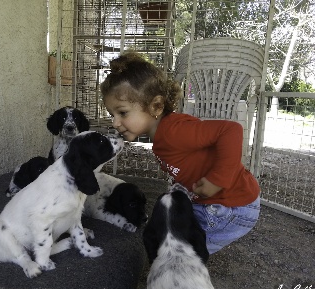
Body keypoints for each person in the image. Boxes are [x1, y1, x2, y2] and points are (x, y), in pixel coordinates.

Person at [101, 51, 260, 254]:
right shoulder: (162, 135)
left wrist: (218, 180)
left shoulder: (175, 131)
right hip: (215, 202)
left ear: (156, 106)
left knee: (181, 254)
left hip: (229, 206)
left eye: (122, 113)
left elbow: (231, 130)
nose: (115, 122)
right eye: (112, 114)